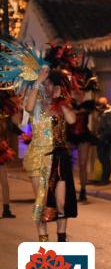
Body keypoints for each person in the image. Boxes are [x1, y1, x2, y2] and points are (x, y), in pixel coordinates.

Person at [23, 66, 77, 242]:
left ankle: (61, 240)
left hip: (58, 156)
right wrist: (37, 81)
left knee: (61, 203)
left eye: (50, 84)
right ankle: (44, 245)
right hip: (38, 156)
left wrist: (61, 100)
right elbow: (28, 106)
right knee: (42, 201)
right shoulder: (36, 103)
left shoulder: (60, 105)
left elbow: (72, 120)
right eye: (44, 84)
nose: (47, 88)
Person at [68, 64, 99, 201]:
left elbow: (91, 112)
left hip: (84, 134)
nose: (79, 92)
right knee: (67, 162)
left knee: (82, 163)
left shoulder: (88, 104)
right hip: (69, 134)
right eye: (77, 90)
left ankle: (83, 190)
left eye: (81, 90)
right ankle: (68, 188)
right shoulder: (68, 102)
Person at [0, 88, 20, 218]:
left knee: (4, 179)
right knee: (4, 179)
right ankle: (6, 209)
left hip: (1, 147)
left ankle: (6, 208)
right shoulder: (6, 108)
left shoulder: (6, 108)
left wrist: (23, 134)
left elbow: (13, 127)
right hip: (2, 146)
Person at [96, 96, 111, 184]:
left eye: (100, 104)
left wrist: (103, 136)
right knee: (102, 158)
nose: (98, 106)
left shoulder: (109, 112)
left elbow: (110, 128)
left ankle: (105, 178)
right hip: (101, 139)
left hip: (106, 139)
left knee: (105, 158)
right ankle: (104, 178)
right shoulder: (102, 112)